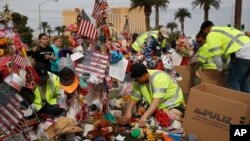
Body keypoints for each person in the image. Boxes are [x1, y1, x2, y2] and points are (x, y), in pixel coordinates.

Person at [119, 63, 184, 127]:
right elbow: (134, 98)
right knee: (150, 125)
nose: (135, 81)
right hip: (159, 107)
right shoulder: (138, 82)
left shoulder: (159, 77)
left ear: (144, 75)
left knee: (173, 126)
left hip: (173, 105)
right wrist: (128, 112)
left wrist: (144, 117)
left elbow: (156, 101)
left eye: (136, 79)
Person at [200, 21, 250, 93]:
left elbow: (215, 54)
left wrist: (220, 69)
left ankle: (237, 104)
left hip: (241, 54)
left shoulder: (211, 34)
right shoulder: (225, 29)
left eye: (204, 32)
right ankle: (246, 103)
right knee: (243, 82)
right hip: (246, 52)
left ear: (205, 29)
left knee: (232, 82)